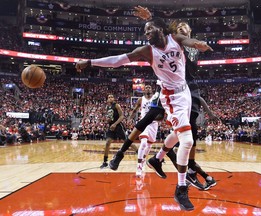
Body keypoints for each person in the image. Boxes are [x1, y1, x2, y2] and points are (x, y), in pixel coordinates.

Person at [75, 17, 212, 211]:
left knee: (179, 132)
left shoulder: (175, 38)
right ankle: (181, 189)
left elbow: (190, 42)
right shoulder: (147, 51)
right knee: (187, 141)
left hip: (185, 92)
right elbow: (118, 61)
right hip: (171, 97)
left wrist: (198, 44)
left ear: (160, 29)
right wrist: (90, 61)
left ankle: (157, 158)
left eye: (149, 30)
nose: (146, 34)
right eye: (145, 31)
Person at [134, 6, 218, 190]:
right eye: (178, 29)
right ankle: (187, 173)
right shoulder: (175, 42)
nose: (180, 30)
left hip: (188, 91)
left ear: (189, 32)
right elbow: (164, 32)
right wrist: (152, 18)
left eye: (184, 28)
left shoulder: (190, 46)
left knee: (187, 136)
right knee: (186, 136)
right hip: (174, 91)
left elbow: (187, 40)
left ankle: (164, 159)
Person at [129, 84, 160, 177]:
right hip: (144, 123)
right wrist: (130, 118)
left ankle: (143, 161)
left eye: (149, 87)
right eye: (146, 87)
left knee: (149, 146)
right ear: (144, 90)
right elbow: (135, 110)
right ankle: (139, 166)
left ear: (152, 89)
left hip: (154, 124)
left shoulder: (156, 98)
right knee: (143, 143)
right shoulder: (141, 100)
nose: (148, 88)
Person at [99, 94, 136, 169]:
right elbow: (110, 118)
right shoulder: (107, 107)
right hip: (111, 126)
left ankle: (139, 153)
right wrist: (108, 120)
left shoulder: (117, 105)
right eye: (109, 97)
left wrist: (115, 124)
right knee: (107, 143)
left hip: (118, 126)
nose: (110, 98)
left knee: (127, 142)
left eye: (111, 97)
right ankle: (105, 162)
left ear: (114, 98)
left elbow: (122, 116)